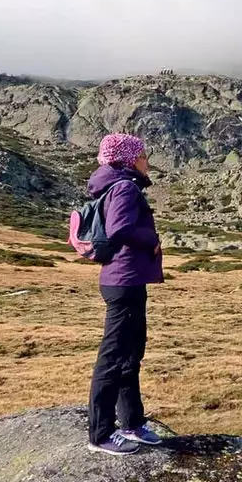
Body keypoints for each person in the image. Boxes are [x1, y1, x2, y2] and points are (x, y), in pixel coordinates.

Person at [86, 133, 165, 456]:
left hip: (125, 279)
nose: (148, 160)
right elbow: (120, 229)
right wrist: (151, 240)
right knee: (114, 356)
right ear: (131, 159)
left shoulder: (116, 185)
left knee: (130, 354)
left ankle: (132, 422)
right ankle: (101, 434)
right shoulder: (125, 187)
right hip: (124, 281)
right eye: (144, 154)